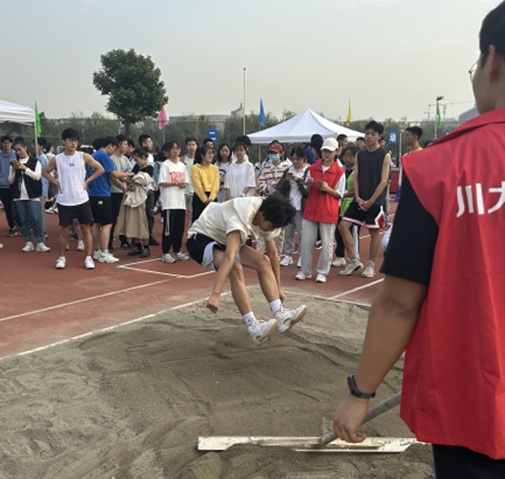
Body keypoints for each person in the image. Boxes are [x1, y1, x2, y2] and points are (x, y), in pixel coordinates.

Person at [332, 4, 505, 477]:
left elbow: (398, 303)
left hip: (476, 406)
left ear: (492, 60)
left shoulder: (438, 168)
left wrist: (360, 393)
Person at [186, 194, 307, 346]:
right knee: (235, 268)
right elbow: (229, 257)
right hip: (200, 238)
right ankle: (253, 326)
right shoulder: (242, 214)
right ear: (262, 215)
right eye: (271, 226)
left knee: (263, 261)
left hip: (222, 237)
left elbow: (272, 254)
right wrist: (215, 294)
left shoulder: (269, 213)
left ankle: (281, 314)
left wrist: (278, 288)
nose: (272, 229)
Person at [42, 128, 105, 270]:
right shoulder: (57, 159)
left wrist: (87, 181)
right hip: (65, 200)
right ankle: (61, 258)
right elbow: (45, 172)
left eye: (75, 141)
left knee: (86, 229)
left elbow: (100, 169)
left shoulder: (83, 156)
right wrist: (56, 182)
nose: (73, 143)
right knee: (65, 230)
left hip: (82, 199)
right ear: (63, 141)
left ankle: (88, 257)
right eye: (70, 140)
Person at [339, 120, 391, 278]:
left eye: (373, 134)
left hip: (375, 201)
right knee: (343, 226)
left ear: (379, 136)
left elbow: (384, 181)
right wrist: (358, 198)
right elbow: (356, 177)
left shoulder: (384, 155)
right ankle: (353, 260)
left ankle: (370, 264)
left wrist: (370, 201)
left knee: (373, 232)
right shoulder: (360, 154)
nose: (369, 137)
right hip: (359, 200)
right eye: (367, 133)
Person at [295, 137, 346, 283]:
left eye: (330, 151)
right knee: (306, 241)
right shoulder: (313, 167)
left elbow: (340, 194)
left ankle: (322, 272)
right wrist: (309, 185)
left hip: (328, 210)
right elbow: (306, 188)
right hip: (311, 208)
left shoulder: (339, 172)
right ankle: (305, 271)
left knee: (327, 242)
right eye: (324, 151)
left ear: (336, 152)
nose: (327, 154)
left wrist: (327, 188)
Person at [88, 137, 134, 263]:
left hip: (92, 193)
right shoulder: (104, 156)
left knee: (96, 223)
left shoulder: (93, 155)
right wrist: (128, 174)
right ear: (110, 146)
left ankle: (97, 251)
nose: (114, 151)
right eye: (114, 148)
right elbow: (114, 174)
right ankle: (104, 252)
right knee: (107, 224)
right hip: (102, 193)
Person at [9, 138, 50, 252]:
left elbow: (37, 176)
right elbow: (10, 180)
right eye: (16, 150)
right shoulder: (13, 163)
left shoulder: (35, 161)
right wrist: (13, 170)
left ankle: (40, 242)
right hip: (18, 196)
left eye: (20, 149)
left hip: (33, 195)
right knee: (23, 220)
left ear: (25, 148)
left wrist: (24, 168)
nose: (18, 152)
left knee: (36, 218)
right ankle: (28, 242)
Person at [276, 146, 309, 268]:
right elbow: (279, 189)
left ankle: (301, 255)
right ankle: (288, 255)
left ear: (304, 158)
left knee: (301, 233)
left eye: (298, 159)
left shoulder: (307, 171)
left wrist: (299, 181)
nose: (295, 162)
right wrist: (286, 180)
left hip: (301, 207)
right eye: (293, 159)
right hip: (289, 206)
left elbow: (307, 192)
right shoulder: (288, 170)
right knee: (288, 232)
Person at [117, 148, 153, 258]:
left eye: (137, 160)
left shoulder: (149, 168)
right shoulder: (137, 167)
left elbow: (142, 181)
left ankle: (146, 247)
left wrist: (131, 181)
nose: (136, 163)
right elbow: (129, 178)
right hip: (131, 197)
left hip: (140, 199)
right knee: (132, 222)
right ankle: (137, 245)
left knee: (142, 222)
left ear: (143, 157)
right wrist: (129, 183)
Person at [158, 140, 190, 263]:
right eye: (173, 148)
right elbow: (162, 182)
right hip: (169, 202)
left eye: (177, 148)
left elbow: (186, 181)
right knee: (168, 229)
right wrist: (176, 182)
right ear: (168, 151)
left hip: (180, 202)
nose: (175, 151)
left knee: (179, 229)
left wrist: (183, 184)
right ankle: (165, 252)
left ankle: (176, 251)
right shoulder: (166, 165)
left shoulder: (182, 165)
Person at [333, 145, 360, 268]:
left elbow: (357, 190)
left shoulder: (358, 171)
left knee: (352, 232)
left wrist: (343, 194)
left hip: (351, 204)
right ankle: (339, 256)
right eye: (345, 156)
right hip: (339, 204)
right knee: (338, 231)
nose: (347, 159)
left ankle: (354, 257)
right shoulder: (341, 169)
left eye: (350, 156)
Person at [109, 134, 132, 250]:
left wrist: (129, 185)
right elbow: (113, 177)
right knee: (113, 218)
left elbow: (128, 175)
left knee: (125, 218)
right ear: (118, 145)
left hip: (124, 192)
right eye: (125, 144)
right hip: (114, 192)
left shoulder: (125, 159)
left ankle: (124, 240)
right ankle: (109, 243)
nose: (127, 147)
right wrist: (123, 188)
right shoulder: (111, 158)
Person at [139, 134, 158, 246]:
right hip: (140, 190)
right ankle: (137, 239)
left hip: (150, 189)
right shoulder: (137, 156)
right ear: (143, 144)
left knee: (150, 214)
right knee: (140, 215)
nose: (151, 144)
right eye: (149, 142)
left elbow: (151, 172)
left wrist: (153, 182)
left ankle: (149, 236)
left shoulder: (151, 156)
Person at [192, 145, 219, 222]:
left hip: (212, 198)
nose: (211, 156)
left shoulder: (215, 168)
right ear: (202, 155)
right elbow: (197, 186)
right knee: (199, 221)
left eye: (212, 153)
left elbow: (216, 184)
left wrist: (211, 198)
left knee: (212, 222)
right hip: (199, 198)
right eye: (209, 153)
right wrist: (205, 200)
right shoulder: (195, 168)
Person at [0, 135, 17, 236]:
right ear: (1, 144)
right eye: (4, 143)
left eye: (8, 143)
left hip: (14, 185)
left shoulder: (15, 155)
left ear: (11, 144)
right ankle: (12, 227)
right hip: (3, 186)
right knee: (7, 208)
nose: (6, 145)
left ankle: (21, 224)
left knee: (17, 206)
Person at [181, 137, 199, 224]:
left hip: (195, 192)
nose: (191, 147)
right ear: (186, 146)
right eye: (189, 145)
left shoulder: (199, 160)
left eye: (193, 145)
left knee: (194, 217)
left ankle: (191, 232)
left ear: (196, 146)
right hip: (182, 191)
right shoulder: (181, 160)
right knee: (180, 216)